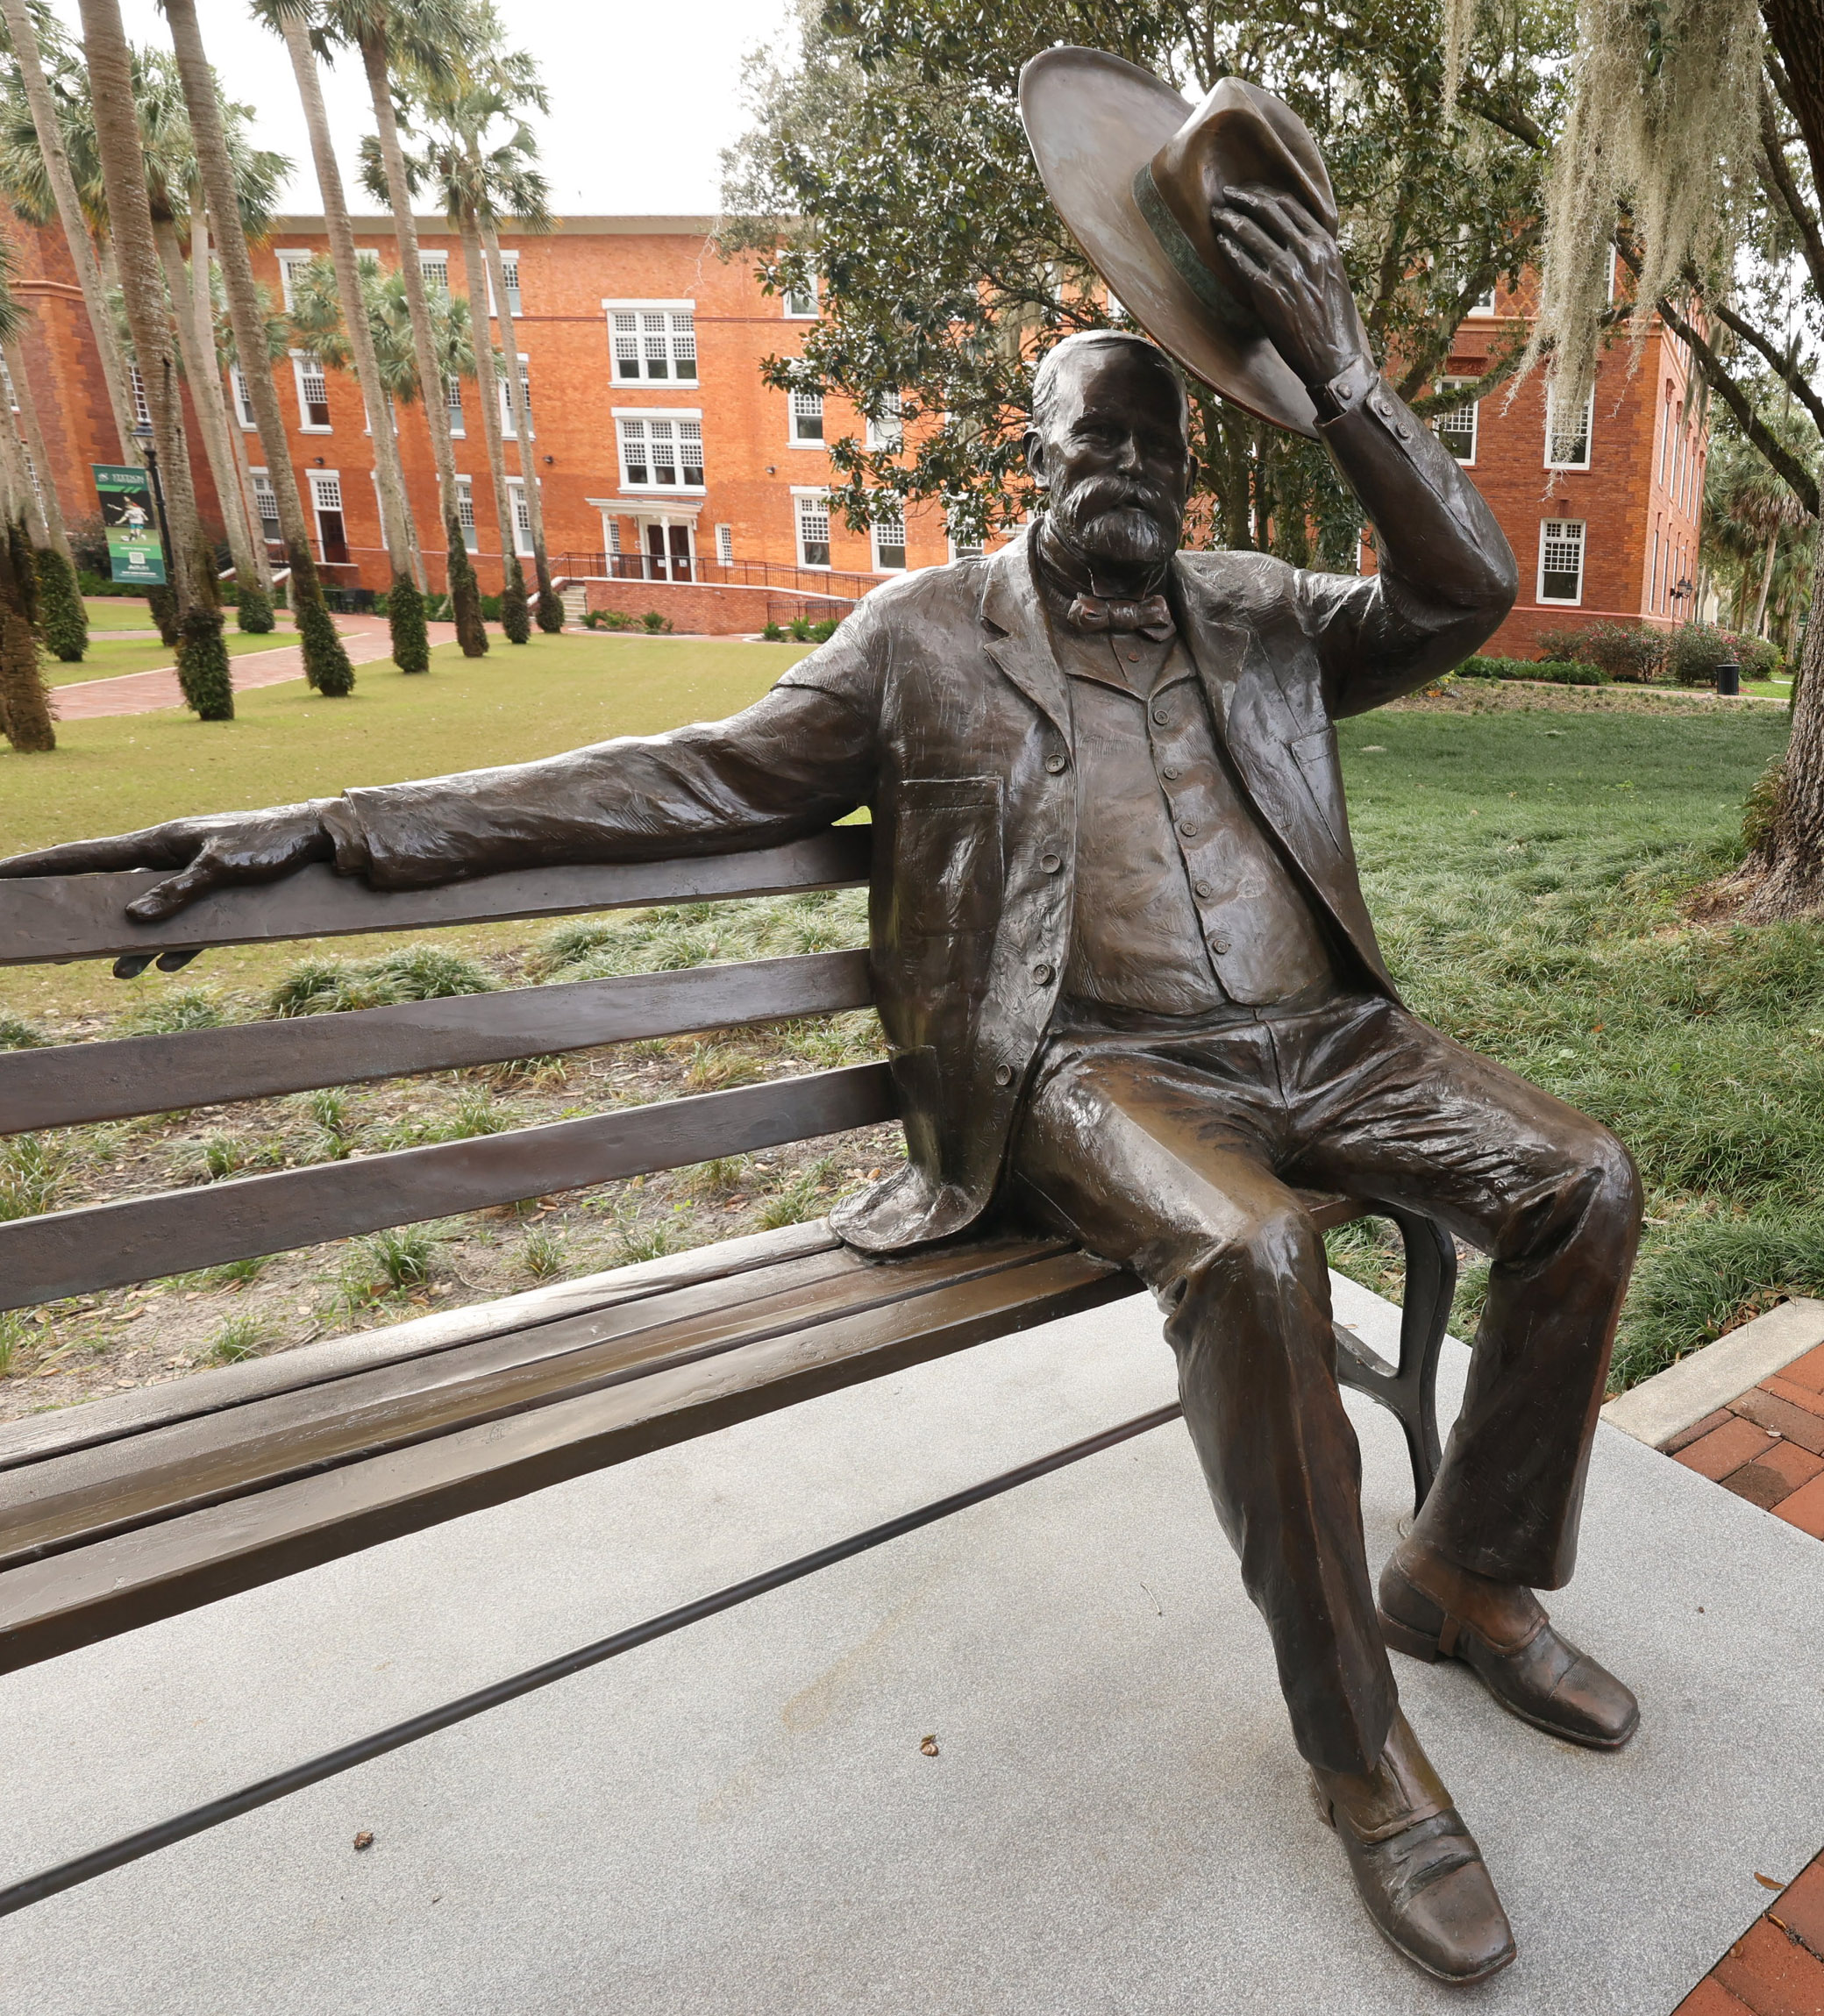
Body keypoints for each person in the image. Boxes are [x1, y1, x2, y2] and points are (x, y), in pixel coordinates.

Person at [3, 173, 1633, 1991]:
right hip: (1089, 1078)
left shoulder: (1262, 616)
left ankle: (1465, 1572)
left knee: (1587, 1182)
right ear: (1029, 457)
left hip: (1326, 1044)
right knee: (1252, 1261)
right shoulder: (922, 639)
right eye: (1100, 451)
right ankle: (1359, 1754)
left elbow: (1470, 581)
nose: (1137, 488)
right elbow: (672, 779)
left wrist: (1339, 370)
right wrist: (326, 827)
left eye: (1163, 462)